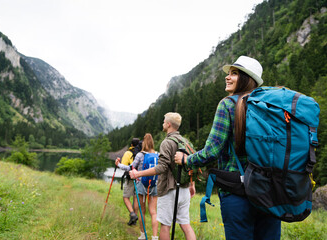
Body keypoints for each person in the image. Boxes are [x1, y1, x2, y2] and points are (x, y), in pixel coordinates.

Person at [174, 56, 281, 240]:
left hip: (238, 192)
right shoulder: (270, 106)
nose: (227, 77)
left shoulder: (228, 104)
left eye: (234, 73)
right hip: (270, 192)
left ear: (248, 79)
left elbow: (211, 152)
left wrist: (185, 160)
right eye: (229, 73)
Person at [130, 113, 196, 240]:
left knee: (165, 225)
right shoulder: (185, 141)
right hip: (184, 190)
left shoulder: (167, 142)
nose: (162, 123)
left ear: (169, 124)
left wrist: (138, 173)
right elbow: (191, 164)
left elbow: (161, 167)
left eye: (164, 121)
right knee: (185, 224)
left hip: (169, 189)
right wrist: (192, 185)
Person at [116, 133, 159, 240]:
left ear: (144, 143)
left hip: (141, 185)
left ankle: (143, 235)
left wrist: (118, 165)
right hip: (154, 185)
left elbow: (130, 168)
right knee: (153, 212)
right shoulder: (158, 154)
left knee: (142, 211)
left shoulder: (140, 155)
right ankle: (155, 237)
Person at [118, 138, 140, 226]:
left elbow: (123, 166)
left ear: (131, 145)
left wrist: (118, 163)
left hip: (130, 178)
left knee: (126, 197)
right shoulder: (141, 153)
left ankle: (132, 214)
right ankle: (134, 220)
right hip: (139, 178)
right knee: (136, 198)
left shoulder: (128, 153)